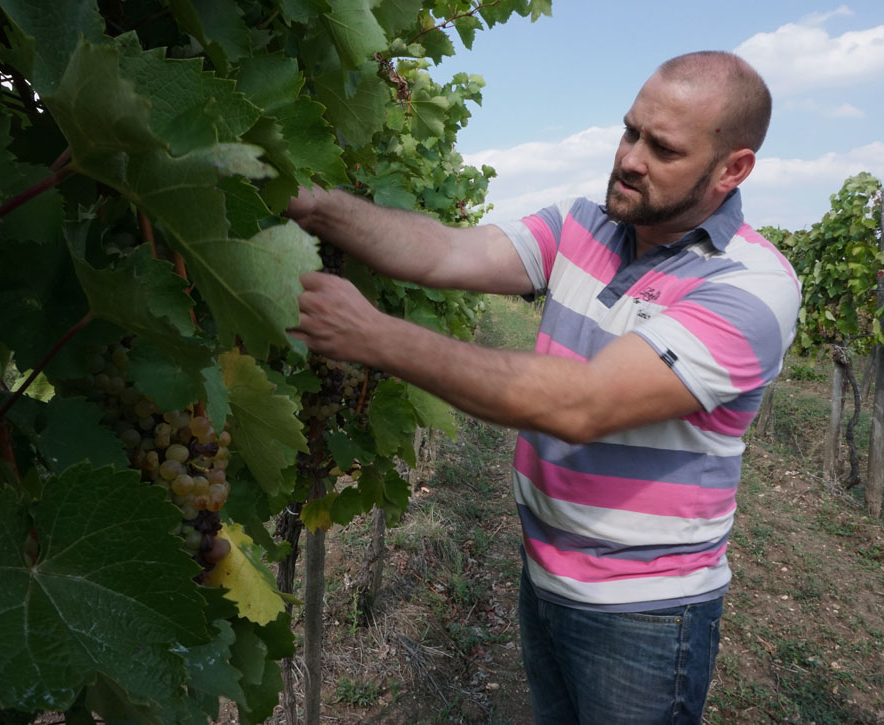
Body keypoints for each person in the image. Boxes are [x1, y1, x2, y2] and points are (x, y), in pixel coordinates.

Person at [286, 50, 801, 724]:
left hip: (644, 611)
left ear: (732, 169)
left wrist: (375, 336)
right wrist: (320, 208)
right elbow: (447, 249)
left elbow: (582, 403)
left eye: (662, 148)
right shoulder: (583, 223)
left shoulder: (751, 285)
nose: (630, 158)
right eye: (630, 131)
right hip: (543, 573)